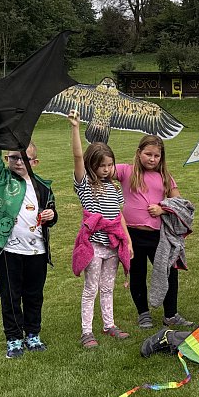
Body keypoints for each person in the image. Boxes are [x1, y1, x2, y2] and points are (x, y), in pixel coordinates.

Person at [0, 142, 57, 359]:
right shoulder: (1, 179)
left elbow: (52, 212)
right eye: (13, 157)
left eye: (24, 159)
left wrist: (51, 215)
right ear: (7, 159)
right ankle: (13, 338)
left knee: (34, 295)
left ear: (35, 162)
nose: (18, 162)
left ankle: (33, 334)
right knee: (10, 296)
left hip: (37, 252)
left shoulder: (43, 186)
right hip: (8, 252)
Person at [69, 111, 133, 349]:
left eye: (109, 165)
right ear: (91, 165)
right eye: (101, 165)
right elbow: (77, 156)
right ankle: (86, 331)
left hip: (113, 246)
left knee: (107, 287)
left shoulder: (115, 187)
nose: (106, 169)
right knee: (91, 288)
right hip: (94, 246)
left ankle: (109, 325)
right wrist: (75, 128)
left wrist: (127, 241)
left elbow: (118, 216)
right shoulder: (85, 185)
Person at [115, 134, 192, 329]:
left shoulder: (165, 177)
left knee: (169, 272)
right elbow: (101, 168)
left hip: (159, 236)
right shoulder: (126, 171)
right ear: (138, 153)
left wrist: (162, 208)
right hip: (132, 235)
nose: (152, 159)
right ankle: (143, 314)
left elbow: (180, 203)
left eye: (157, 156)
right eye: (148, 154)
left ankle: (171, 314)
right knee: (138, 273)